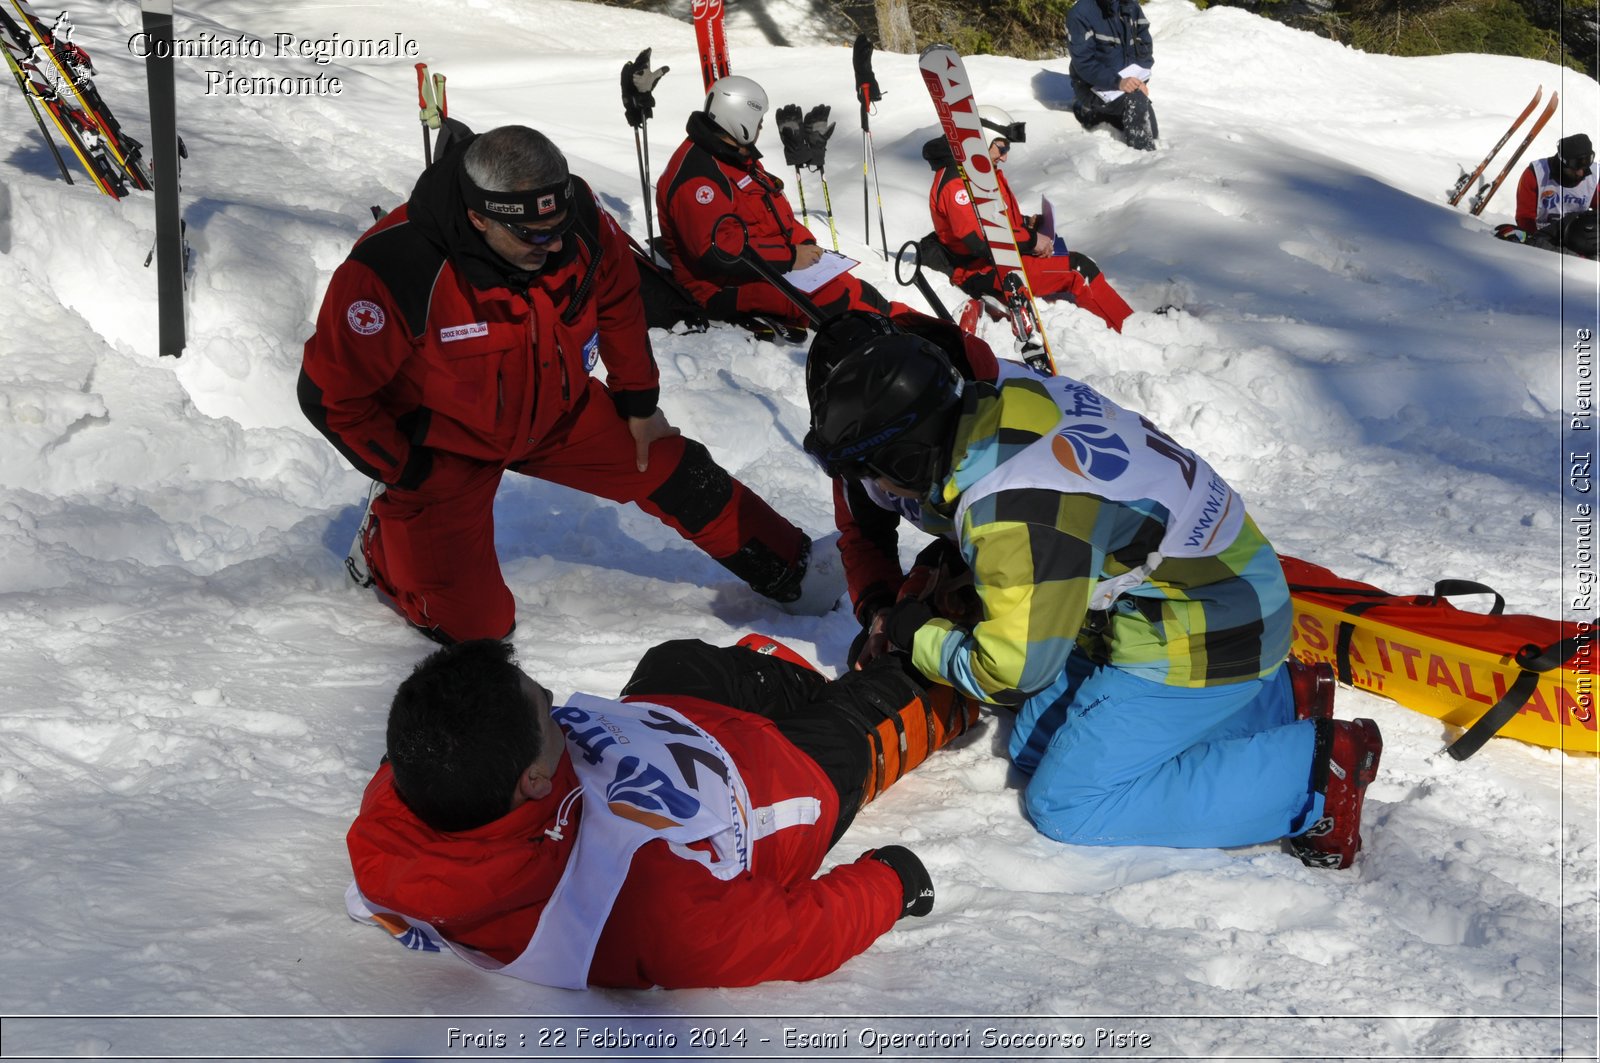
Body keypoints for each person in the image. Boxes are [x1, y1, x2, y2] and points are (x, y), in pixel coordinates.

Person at [804, 332, 1384, 869]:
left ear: (907, 458)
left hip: (1207, 632)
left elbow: (1009, 673)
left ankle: (1312, 777)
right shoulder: (994, 391)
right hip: (1209, 590)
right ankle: (1278, 701)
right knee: (1036, 741)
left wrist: (916, 635)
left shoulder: (1012, 510)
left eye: (875, 477)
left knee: (1070, 800)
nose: (875, 492)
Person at [299, 122, 842, 645]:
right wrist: (408, 470)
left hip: (557, 413)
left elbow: (618, 294)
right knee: (477, 629)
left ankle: (792, 569)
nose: (555, 244)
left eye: (558, 228)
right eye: (534, 235)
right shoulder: (394, 267)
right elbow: (329, 398)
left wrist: (638, 401)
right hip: (448, 445)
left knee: (676, 468)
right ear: (480, 219)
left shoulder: (572, 213)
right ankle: (383, 544)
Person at [345, 634, 978, 989]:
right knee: (871, 715)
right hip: (774, 786)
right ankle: (947, 666)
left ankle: (807, 687)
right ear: (535, 782)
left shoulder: (410, 782)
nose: (551, 697)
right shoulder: (632, 905)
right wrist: (891, 881)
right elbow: (787, 937)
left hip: (664, 724)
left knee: (675, 659)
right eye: (544, 712)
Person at [656, 75, 896, 333]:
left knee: (860, 291)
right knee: (838, 301)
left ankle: (922, 335)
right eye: (758, 123)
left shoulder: (736, 157)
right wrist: (790, 257)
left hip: (763, 269)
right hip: (719, 288)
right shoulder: (698, 177)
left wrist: (804, 243)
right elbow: (719, 252)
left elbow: (776, 215)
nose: (760, 129)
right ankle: (891, 345)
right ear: (741, 122)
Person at [923, 105, 1134, 332]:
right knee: (1078, 269)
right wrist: (1032, 241)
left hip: (999, 260)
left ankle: (1120, 319)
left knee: (1069, 258)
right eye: (1001, 148)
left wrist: (1025, 224)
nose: (1004, 157)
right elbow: (979, 240)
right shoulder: (958, 183)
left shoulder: (977, 172)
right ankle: (1128, 328)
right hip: (981, 271)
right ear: (983, 139)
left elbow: (991, 218)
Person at [1067, 0, 1158, 151]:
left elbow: (1145, 49)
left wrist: (1140, 80)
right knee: (1139, 119)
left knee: (1152, 132)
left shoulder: (1131, 6)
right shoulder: (1080, 13)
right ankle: (1143, 163)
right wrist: (1118, 82)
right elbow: (1084, 63)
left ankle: (1112, 116)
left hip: (1126, 86)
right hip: (1092, 86)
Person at [1496, 134, 1599, 258]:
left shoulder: (1594, 177)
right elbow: (1525, 217)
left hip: (1577, 235)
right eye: (1575, 167)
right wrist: (1533, 238)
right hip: (1543, 234)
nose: (1581, 173)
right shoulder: (1536, 174)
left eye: (1585, 166)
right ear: (1563, 162)